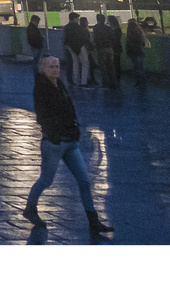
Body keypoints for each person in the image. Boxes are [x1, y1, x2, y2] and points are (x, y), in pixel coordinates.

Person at [22, 56, 113, 236]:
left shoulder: (60, 84)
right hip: (54, 143)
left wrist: (75, 128)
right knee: (46, 180)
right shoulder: (41, 89)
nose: (56, 70)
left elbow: (69, 108)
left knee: (84, 181)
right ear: (43, 69)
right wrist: (54, 134)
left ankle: (93, 220)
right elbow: (42, 115)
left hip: (70, 142)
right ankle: (30, 208)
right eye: (51, 67)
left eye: (57, 66)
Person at [125, 18, 150, 90]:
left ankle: (139, 81)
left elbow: (128, 43)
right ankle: (143, 82)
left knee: (136, 67)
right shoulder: (139, 30)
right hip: (139, 50)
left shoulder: (130, 31)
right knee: (140, 67)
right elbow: (142, 41)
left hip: (133, 51)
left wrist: (128, 52)